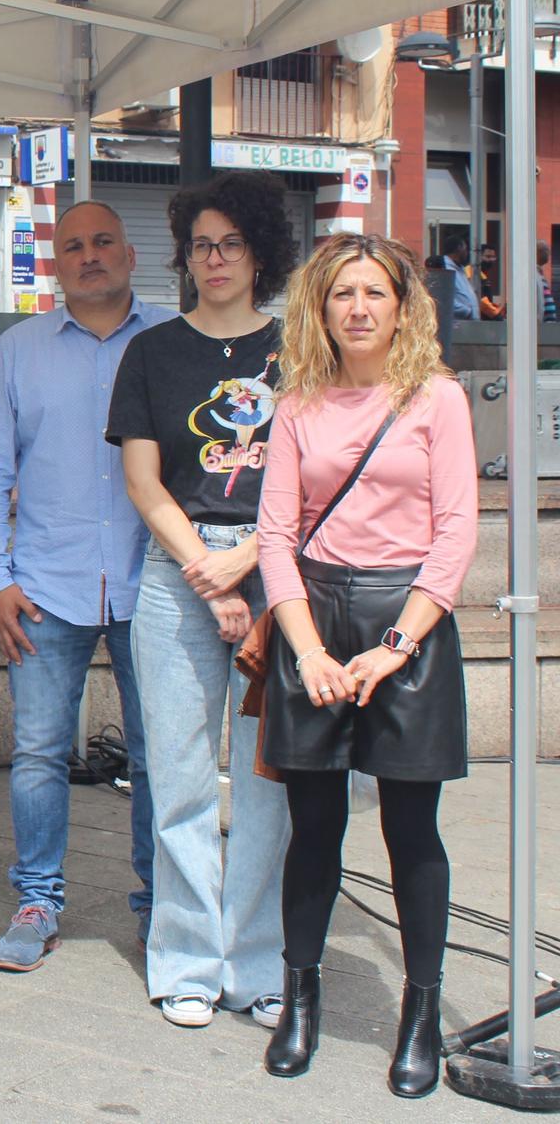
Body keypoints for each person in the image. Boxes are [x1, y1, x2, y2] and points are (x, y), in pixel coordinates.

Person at [255, 234, 477, 1098]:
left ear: (400, 304)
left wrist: (393, 648)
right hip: (315, 611)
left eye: (373, 292)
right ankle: (299, 1000)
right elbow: (276, 534)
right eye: (342, 293)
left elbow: (456, 530)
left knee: (410, 829)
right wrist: (307, 649)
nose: (357, 307)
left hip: (406, 619)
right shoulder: (298, 403)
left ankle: (420, 1011)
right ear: (321, 306)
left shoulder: (437, 399)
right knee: (313, 828)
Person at [106, 171, 297, 1030]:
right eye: (200, 245)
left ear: (260, 250)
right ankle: (184, 960)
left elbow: (316, 479)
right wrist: (207, 568)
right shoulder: (151, 351)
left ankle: (255, 964)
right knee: (178, 774)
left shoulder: (301, 352)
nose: (214, 259)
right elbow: (144, 482)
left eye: (231, 243)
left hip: (280, 571)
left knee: (267, 781)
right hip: (175, 573)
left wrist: (251, 559)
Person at [0, 199, 172, 973]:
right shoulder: (19, 350)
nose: (90, 256)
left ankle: (160, 907)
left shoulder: (170, 342)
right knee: (39, 751)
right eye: (73, 245)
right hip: (45, 585)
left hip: (156, 582)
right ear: (54, 262)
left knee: (160, 754)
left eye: (104, 241)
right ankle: (38, 900)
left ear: (131, 254)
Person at [440, 233, 479, 321]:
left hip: (468, 323)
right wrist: (467, 312)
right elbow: (445, 299)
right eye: (465, 249)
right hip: (457, 324)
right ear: (459, 248)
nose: (467, 253)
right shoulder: (445, 268)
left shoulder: (460, 269)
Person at [476, 242, 505, 319]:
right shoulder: (472, 274)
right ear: (479, 257)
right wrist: (496, 315)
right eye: (488, 256)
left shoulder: (484, 275)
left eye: (493, 257)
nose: (491, 260)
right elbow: (482, 301)